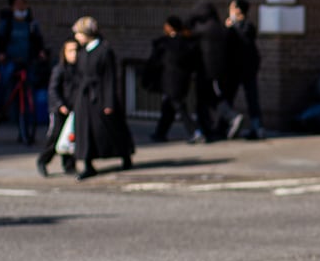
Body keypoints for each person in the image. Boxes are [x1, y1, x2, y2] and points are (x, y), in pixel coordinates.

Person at [70, 16, 136, 180]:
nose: (76, 37)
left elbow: (109, 77)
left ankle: (124, 154)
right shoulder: (83, 50)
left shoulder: (104, 50)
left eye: (79, 33)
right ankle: (87, 163)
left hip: (99, 97)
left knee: (108, 130)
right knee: (85, 132)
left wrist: (109, 102)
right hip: (85, 98)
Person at [186, 1, 243, 141]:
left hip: (206, 71)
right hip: (221, 71)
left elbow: (187, 31)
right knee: (213, 99)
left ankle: (225, 119)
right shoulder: (221, 28)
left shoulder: (202, 29)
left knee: (206, 101)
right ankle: (214, 127)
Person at [148, 15, 205, 144]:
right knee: (168, 107)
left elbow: (158, 61)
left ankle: (195, 131)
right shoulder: (186, 42)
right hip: (181, 80)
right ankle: (160, 133)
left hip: (172, 81)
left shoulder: (168, 43)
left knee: (179, 106)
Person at [0, 0, 47, 118]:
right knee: (4, 82)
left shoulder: (31, 24)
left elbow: (38, 40)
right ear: (12, 7)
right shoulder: (7, 23)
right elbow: (0, 40)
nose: (21, 7)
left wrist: (41, 52)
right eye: (18, 4)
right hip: (11, 60)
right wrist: (1, 54)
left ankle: (27, 115)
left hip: (27, 60)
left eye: (23, 4)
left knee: (29, 87)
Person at [36, 38, 78, 177]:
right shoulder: (59, 69)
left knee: (70, 137)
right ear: (64, 53)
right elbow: (53, 90)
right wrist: (60, 105)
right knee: (55, 136)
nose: (74, 54)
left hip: (73, 108)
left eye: (76, 50)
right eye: (70, 51)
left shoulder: (79, 69)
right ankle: (43, 161)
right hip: (59, 109)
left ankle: (69, 165)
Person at [225, 0, 264, 139]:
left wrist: (231, 27)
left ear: (238, 10)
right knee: (229, 97)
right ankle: (227, 124)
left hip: (245, 69)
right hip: (237, 69)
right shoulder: (239, 26)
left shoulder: (246, 27)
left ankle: (256, 127)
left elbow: (242, 40)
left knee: (251, 98)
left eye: (231, 8)